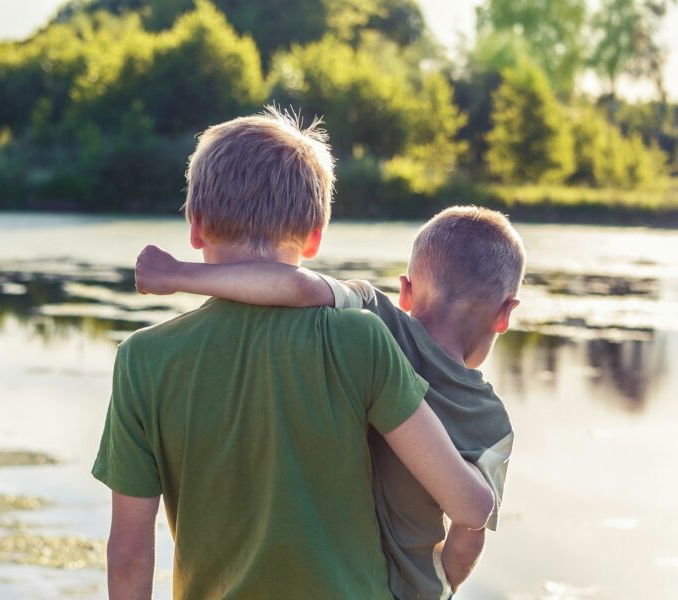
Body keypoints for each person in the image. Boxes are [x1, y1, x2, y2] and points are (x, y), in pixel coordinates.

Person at [93, 108, 494, 600]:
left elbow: (130, 553)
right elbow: (468, 506)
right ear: (315, 235)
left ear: (195, 227)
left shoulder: (142, 360)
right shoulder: (361, 340)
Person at [134, 205, 525, 599]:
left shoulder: (377, 317)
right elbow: (467, 537)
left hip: (331, 571)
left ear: (406, 292)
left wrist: (179, 275)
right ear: (505, 314)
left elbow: (297, 286)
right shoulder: (492, 423)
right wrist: (443, 582)